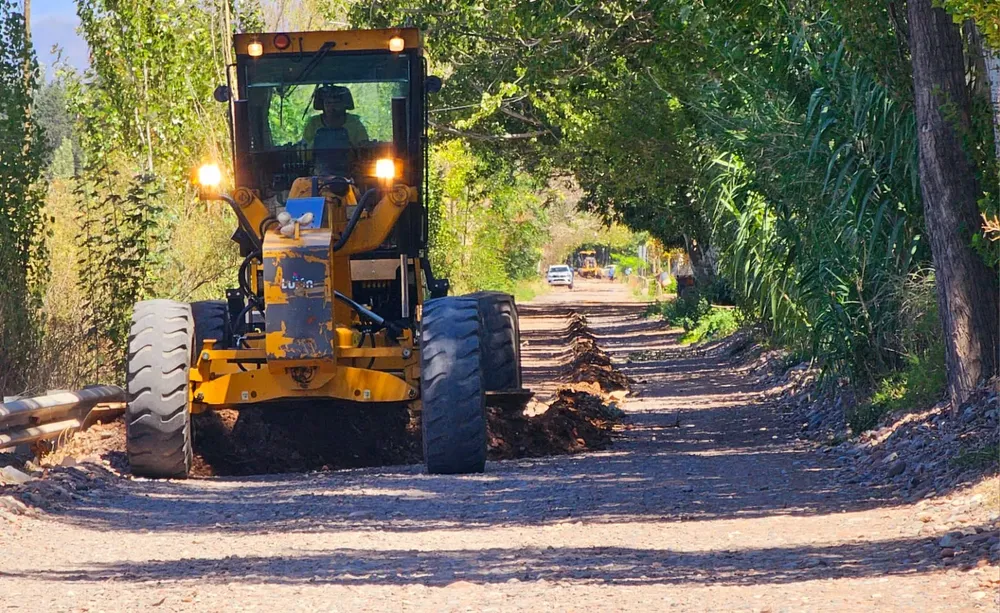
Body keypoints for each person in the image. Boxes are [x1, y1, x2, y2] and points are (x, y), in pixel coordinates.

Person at [303, 85, 369, 148]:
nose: (332, 106)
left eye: (336, 103)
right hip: (316, 160)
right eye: (328, 103)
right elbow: (304, 149)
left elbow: (364, 147)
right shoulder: (313, 123)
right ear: (322, 105)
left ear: (344, 105)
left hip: (351, 160)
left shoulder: (354, 123)